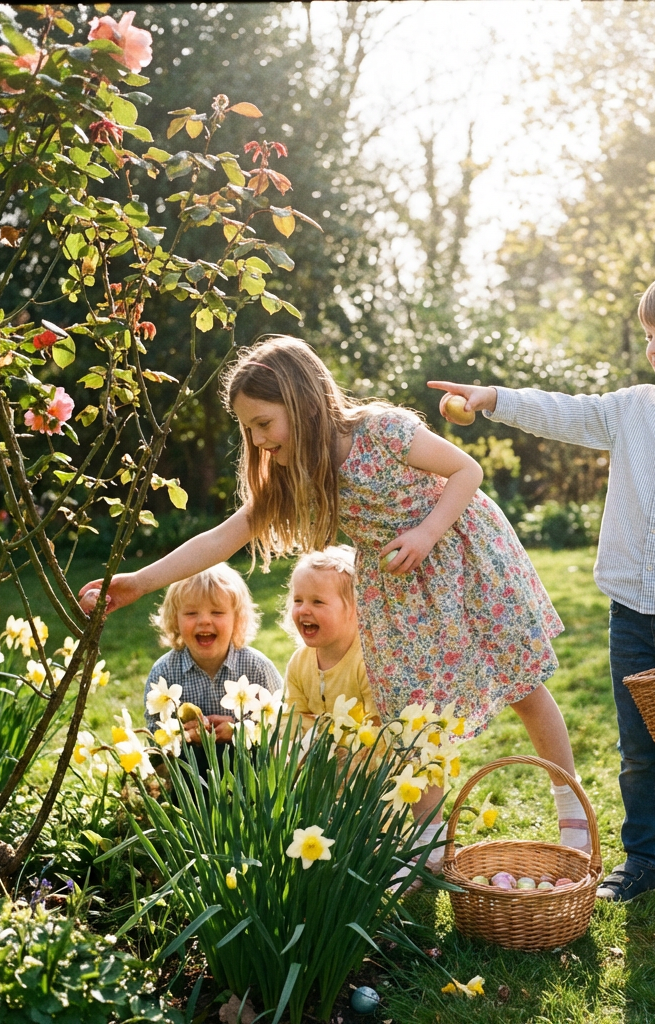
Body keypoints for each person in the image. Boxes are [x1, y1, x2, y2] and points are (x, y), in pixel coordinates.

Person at [81, 336, 590, 866]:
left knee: (521, 680)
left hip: (462, 554)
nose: (256, 441)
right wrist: (138, 581)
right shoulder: (294, 472)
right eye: (247, 429)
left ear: (299, 402)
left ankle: (570, 805)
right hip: (398, 589)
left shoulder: (381, 430)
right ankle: (430, 845)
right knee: (410, 715)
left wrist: (426, 533)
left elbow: (467, 471)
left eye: (262, 424)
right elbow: (226, 536)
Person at [429, 260, 655, 922]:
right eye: (649, 336)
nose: (654, 350)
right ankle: (643, 862)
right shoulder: (629, 410)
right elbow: (564, 412)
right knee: (638, 757)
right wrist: (492, 398)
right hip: (632, 618)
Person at [144, 563, 283, 771]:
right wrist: (183, 736)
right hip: (190, 781)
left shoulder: (257, 668)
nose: (204, 621)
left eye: (217, 612)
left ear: (238, 619)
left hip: (249, 776)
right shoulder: (164, 672)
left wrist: (238, 731)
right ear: (175, 619)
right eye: (191, 613)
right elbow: (155, 739)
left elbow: (280, 730)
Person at [280, 544, 378, 732]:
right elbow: (290, 720)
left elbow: (378, 726)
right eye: (298, 600)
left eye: (318, 602)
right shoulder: (300, 662)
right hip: (318, 758)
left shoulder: (367, 662)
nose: (304, 610)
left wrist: (317, 728)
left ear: (354, 608)